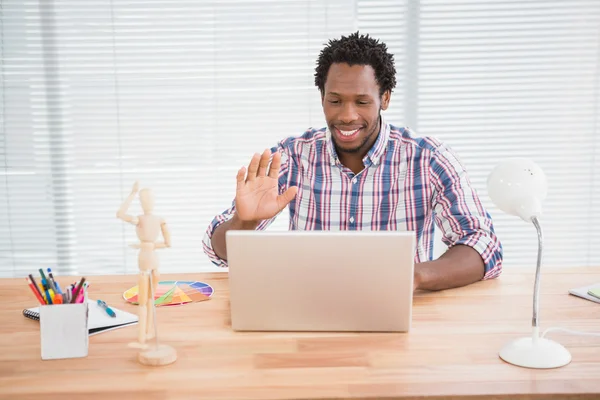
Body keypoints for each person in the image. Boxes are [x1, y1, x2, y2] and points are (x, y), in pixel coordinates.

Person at [202, 31, 503, 291]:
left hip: (397, 309)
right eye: (335, 101)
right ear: (322, 98)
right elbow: (218, 252)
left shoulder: (428, 158)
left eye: (361, 102)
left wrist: (412, 277)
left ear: (385, 98)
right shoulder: (292, 155)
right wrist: (245, 222)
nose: (347, 115)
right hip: (307, 306)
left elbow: (483, 244)